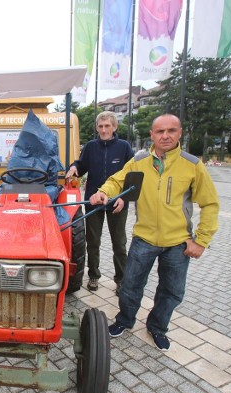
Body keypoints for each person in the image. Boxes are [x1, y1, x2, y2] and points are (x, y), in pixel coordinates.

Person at [89, 114, 219, 351]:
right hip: (144, 239)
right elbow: (117, 181)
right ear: (152, 135)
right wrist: (103, 192)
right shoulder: (139, 161)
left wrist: (201, 240)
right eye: (160, 132)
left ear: (180, 133)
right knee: (130, 286)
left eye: (171, 131)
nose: (165, 136)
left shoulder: (192, 164)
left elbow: (209, 204)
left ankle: (157, 327)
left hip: (178, 242)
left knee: (172, 291)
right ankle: (124, 321)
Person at [65, 111, 134, 293]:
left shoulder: (124, 147)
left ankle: (121, 279)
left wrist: (124, 198)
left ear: (114, 127)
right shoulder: (90, 146)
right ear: (97, 128)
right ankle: (94, 276)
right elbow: (81, 165)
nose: (104, 130)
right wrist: (74, 167)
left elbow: (133, 174)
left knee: (119, 243)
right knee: (92, 241)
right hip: (94, 201)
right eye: (101, 126)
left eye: (107, 126)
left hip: (117, 202)